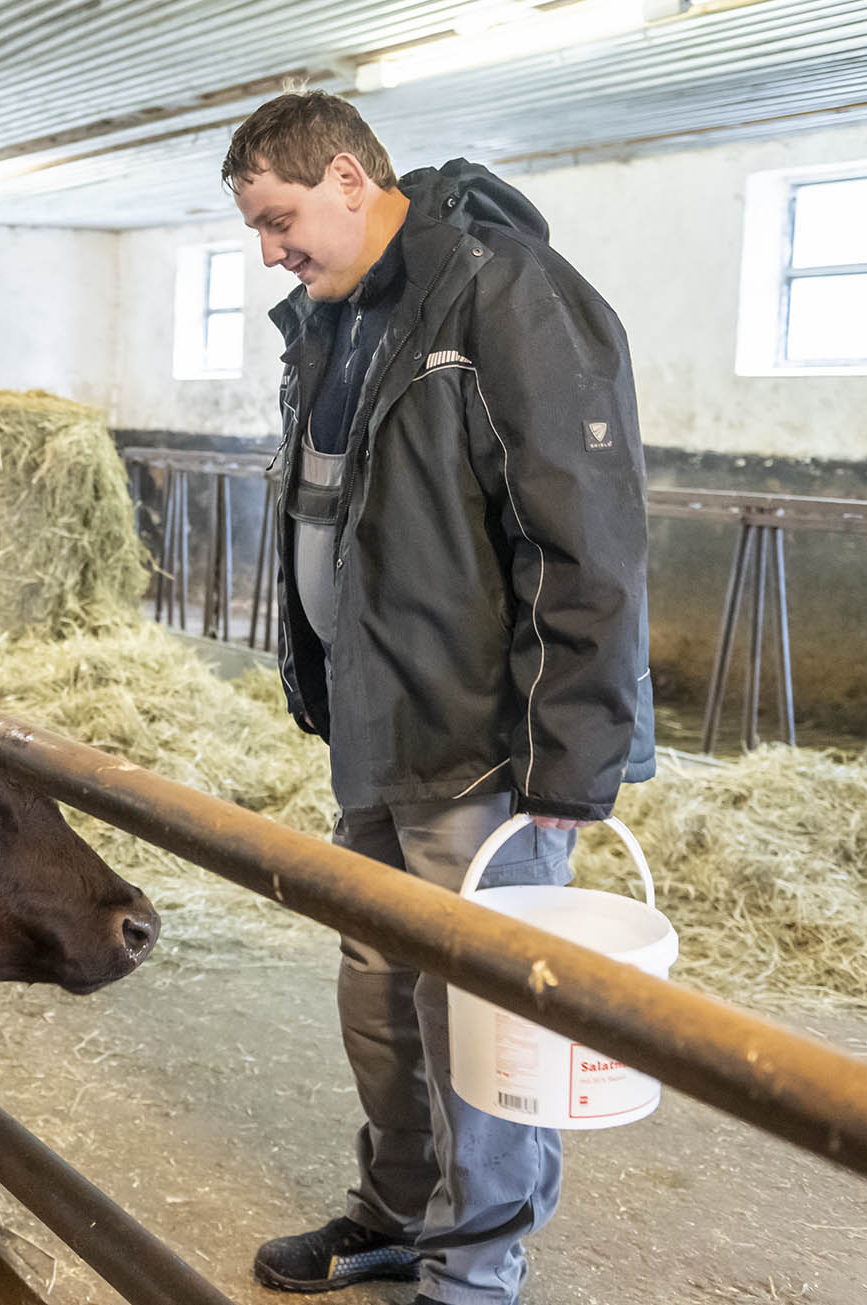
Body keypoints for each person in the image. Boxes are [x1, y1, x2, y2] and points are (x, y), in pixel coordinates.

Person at [228, 92, 655, 1305]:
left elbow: (584, 544)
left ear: (351, 179)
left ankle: (475, 1268)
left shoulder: (501, 295)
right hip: (376, 722)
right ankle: (394, 1212)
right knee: (377, 989)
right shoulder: (337, 315)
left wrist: (570, 764)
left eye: (279, 217)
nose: (269, 248)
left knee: (478, 1016)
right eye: (257, 228)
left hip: (480, 740)